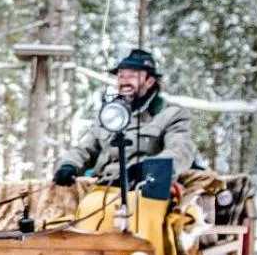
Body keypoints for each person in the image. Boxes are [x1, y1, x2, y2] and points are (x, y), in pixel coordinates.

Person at [52, 49, 195, 187]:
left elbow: (180, 151)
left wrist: (147, 169)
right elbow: (86, 149)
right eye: (121, 76)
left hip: (145, 190)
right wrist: (69, 165)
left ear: (150, 81)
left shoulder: (171, 114)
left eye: (132, 76)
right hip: (102, 186)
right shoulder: (110, 114)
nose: (124, 82)